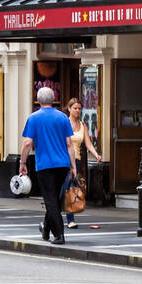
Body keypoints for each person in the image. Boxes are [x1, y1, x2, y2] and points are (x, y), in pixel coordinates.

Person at [19, 86, 76, 245]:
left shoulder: (34, 118)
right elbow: (69, 144)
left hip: (45, 165)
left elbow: (27, 143)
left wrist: (22, 162)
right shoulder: (63, 117)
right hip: (63, 164)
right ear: (53, 99)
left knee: (50, 199)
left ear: (38, 100)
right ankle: (45, 229)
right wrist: (73, 166)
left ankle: (59, 235)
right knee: (54, 199)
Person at [62, 97, 102, 229]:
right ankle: (59, 215)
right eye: (75, 108)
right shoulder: (64, 123)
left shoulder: (83, 125)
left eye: (79, 108)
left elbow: (88, 143)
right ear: (69, 109)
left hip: (77, 161)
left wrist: (96, 154)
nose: (78, 110)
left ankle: (69, 218)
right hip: (63, 160)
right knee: (65, 188)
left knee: (71, 189)